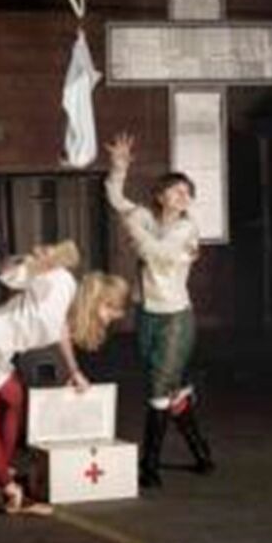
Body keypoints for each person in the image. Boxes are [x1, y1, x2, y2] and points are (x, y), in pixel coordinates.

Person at [0, 239, 129, 515]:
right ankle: (10, 493)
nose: (110, 318)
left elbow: (60, 331)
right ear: (99, 300)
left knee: (15, 398)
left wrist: (74, 371)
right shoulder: (58, 280)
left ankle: (1, 470)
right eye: (111, 311)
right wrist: (31, 261)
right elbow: (4, 271)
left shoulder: (68, 302)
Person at [104, 132, 214, 488]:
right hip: (147, 315)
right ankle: (202, 453)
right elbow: (116, 198)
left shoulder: (186, 227)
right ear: (160, 195)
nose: (184, 195)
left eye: (188, 192)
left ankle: (148, 466)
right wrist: (119, 167)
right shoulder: (148, 218)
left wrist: (134, 230)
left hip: (176, 319)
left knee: (157, 388)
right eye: (177, 190)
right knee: (171, 387)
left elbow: (159, 254)